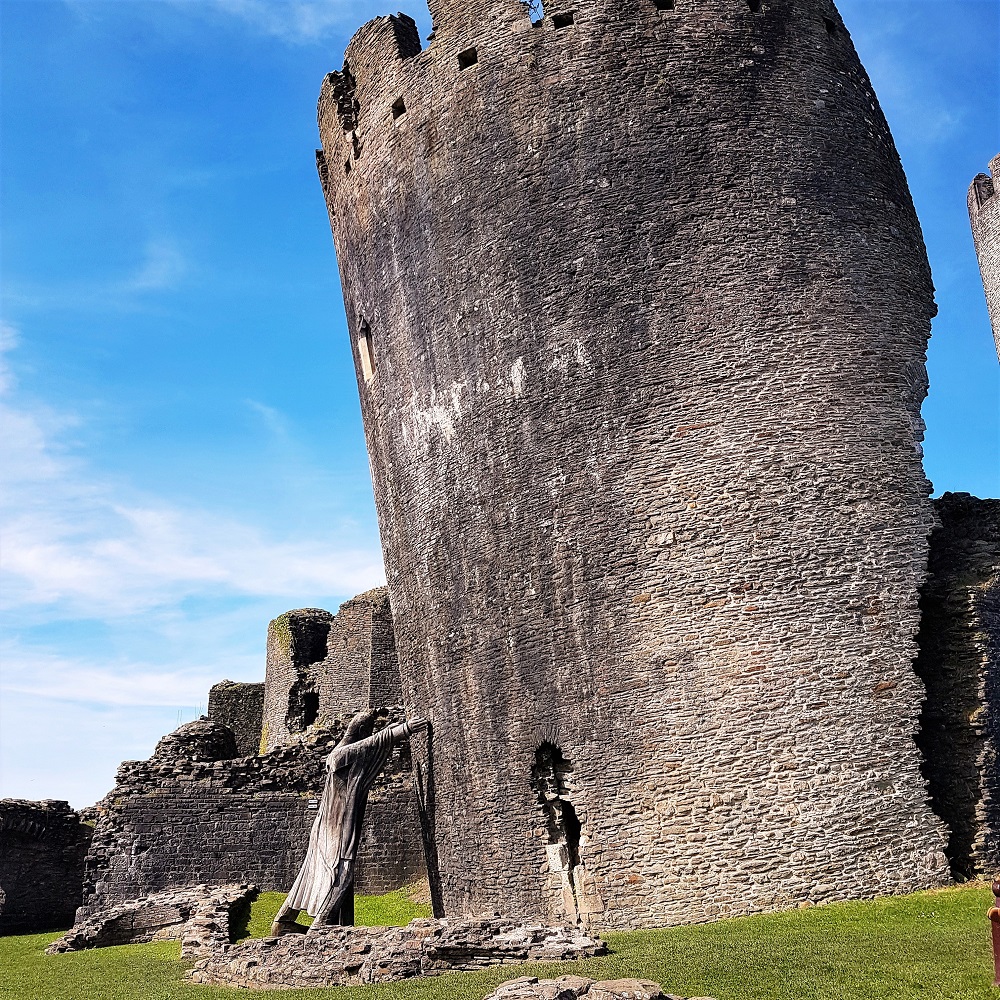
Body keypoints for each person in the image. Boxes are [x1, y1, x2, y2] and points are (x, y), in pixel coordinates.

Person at [270, 710, 429, 936]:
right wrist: (405, 729)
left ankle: (284, 920)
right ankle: (320, 924)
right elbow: (375, 742)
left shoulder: (340, 751)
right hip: (336, 825)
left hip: (327, 824)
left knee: (313, 870)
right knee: (341, 871)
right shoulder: (341, 754)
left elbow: (371, 744)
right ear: (361, 732)